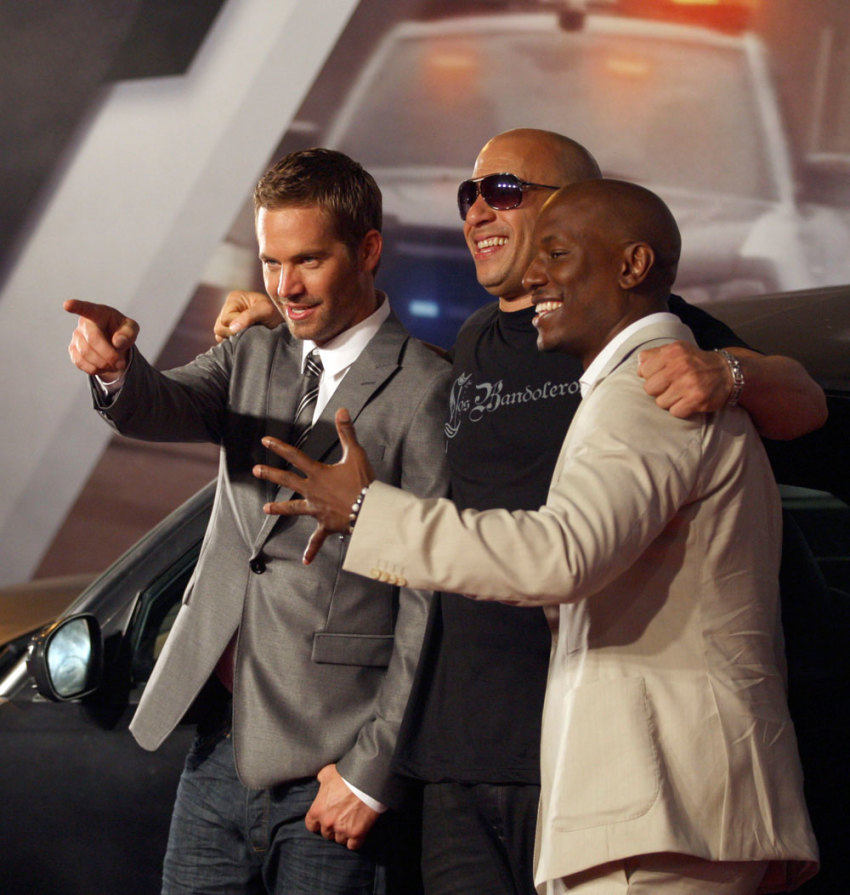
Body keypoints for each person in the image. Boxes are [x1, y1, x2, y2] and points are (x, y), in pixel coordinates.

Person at [214, 129, 827, 895]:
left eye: (504, 191)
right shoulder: (478, 339)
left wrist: (732, 370)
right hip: (467, 743)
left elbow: (806, 405)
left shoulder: (646, 346)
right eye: (469, 195)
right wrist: (293, 332)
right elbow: (399, 384)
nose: (477, 212)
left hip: (597, 751)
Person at [64, 148, 451, 895]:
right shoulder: (255, 352)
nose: (286, 285)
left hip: (332, 767)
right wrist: (116, 367)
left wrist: (371, 774)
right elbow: (159, 403)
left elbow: (432, 599)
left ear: (368, 249)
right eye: (272, 262)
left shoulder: (425, 389)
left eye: (308, 259)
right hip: (220, 750)